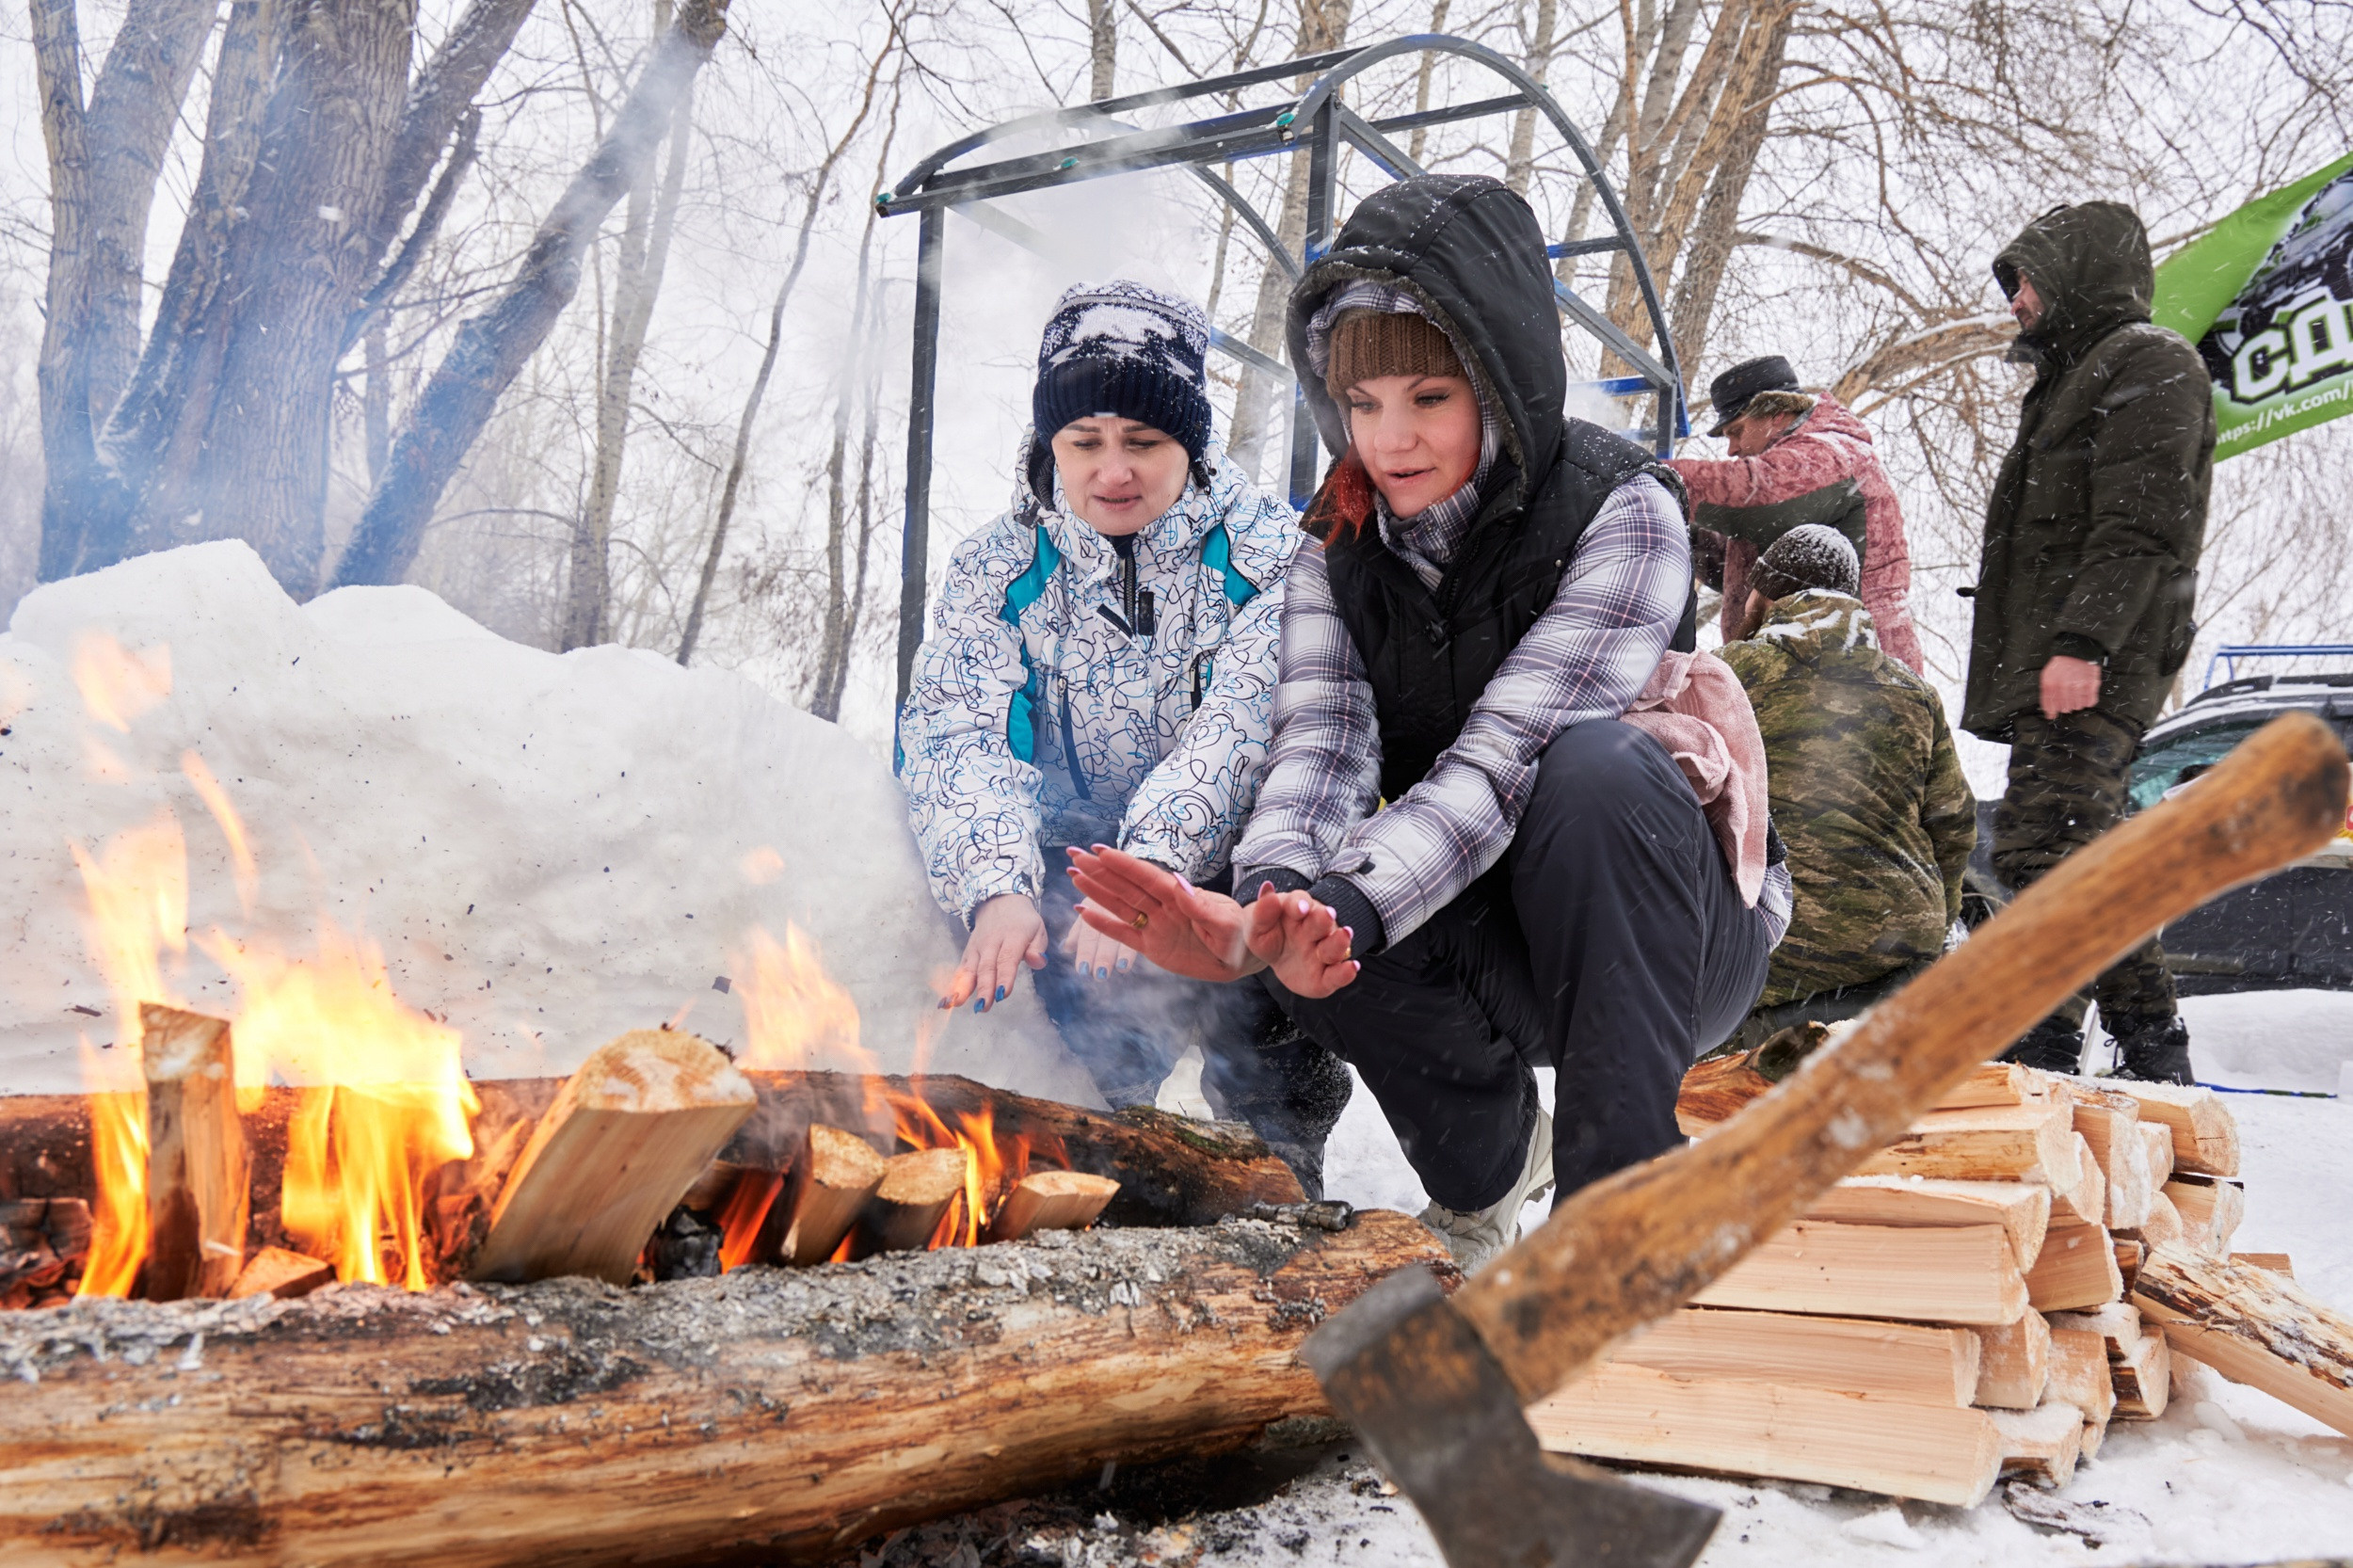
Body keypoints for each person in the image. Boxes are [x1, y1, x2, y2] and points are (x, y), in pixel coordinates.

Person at [1064, 176, 1789, 1271]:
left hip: (1663, 936)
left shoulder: (1622, 509)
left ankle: (1619, 1211)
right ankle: (1490, 1171)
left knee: (1592, 771)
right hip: (1494, 928)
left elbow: (1510, 755)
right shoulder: (1336, 547)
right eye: (1361, 406)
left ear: (1497, 379)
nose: (1390, 440)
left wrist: (1347, 895)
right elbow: (1318, 753)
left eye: (1429, 398)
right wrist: (1264, 913)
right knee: (1319, 910)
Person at [896, 280, 1351, 1192]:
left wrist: (1152, 870)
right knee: (1087, 1007)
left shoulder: (1269, 554)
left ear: (1190, 438)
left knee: (1264, 953)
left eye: (1143, 442)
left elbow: (1237, 729)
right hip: (1075, 861)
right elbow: (959, 730)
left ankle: (1281, 1149)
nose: (1113, 470)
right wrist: (995, 886)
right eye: (1084, 442)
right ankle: (1120, 1137)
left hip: (1217, 853)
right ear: (1049, 443)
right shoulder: (997, 565)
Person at [1968, 201, 2214, 1085]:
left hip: (2090, 663)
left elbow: (2141, 524)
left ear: (2074, 272)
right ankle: (2149, 1052)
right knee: (2080, 854)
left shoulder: (2149, 364)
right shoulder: (2080, 376)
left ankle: (2043, 1047)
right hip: (2070, 658)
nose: (2016, 302)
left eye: (2024, 281)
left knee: (2045, 848)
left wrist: (2082, 642)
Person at [1714, 524, 1977, 1055]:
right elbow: (1954, 825)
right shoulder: (1913, 692)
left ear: (1765, 597)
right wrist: (1934, 925)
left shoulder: (1728, 676)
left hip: (1765, 954)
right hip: (1893, 957)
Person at [1671, 356, 1926, 672]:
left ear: (1777, 414)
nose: (1732, 449)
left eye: (1737, 431)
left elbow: (1755, 494)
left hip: (1856, 672)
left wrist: (1656, 477)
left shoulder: (1833, 453)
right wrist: (1684, 535)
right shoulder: (1812, 462)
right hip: (1817, 668)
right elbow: (1759, 572)